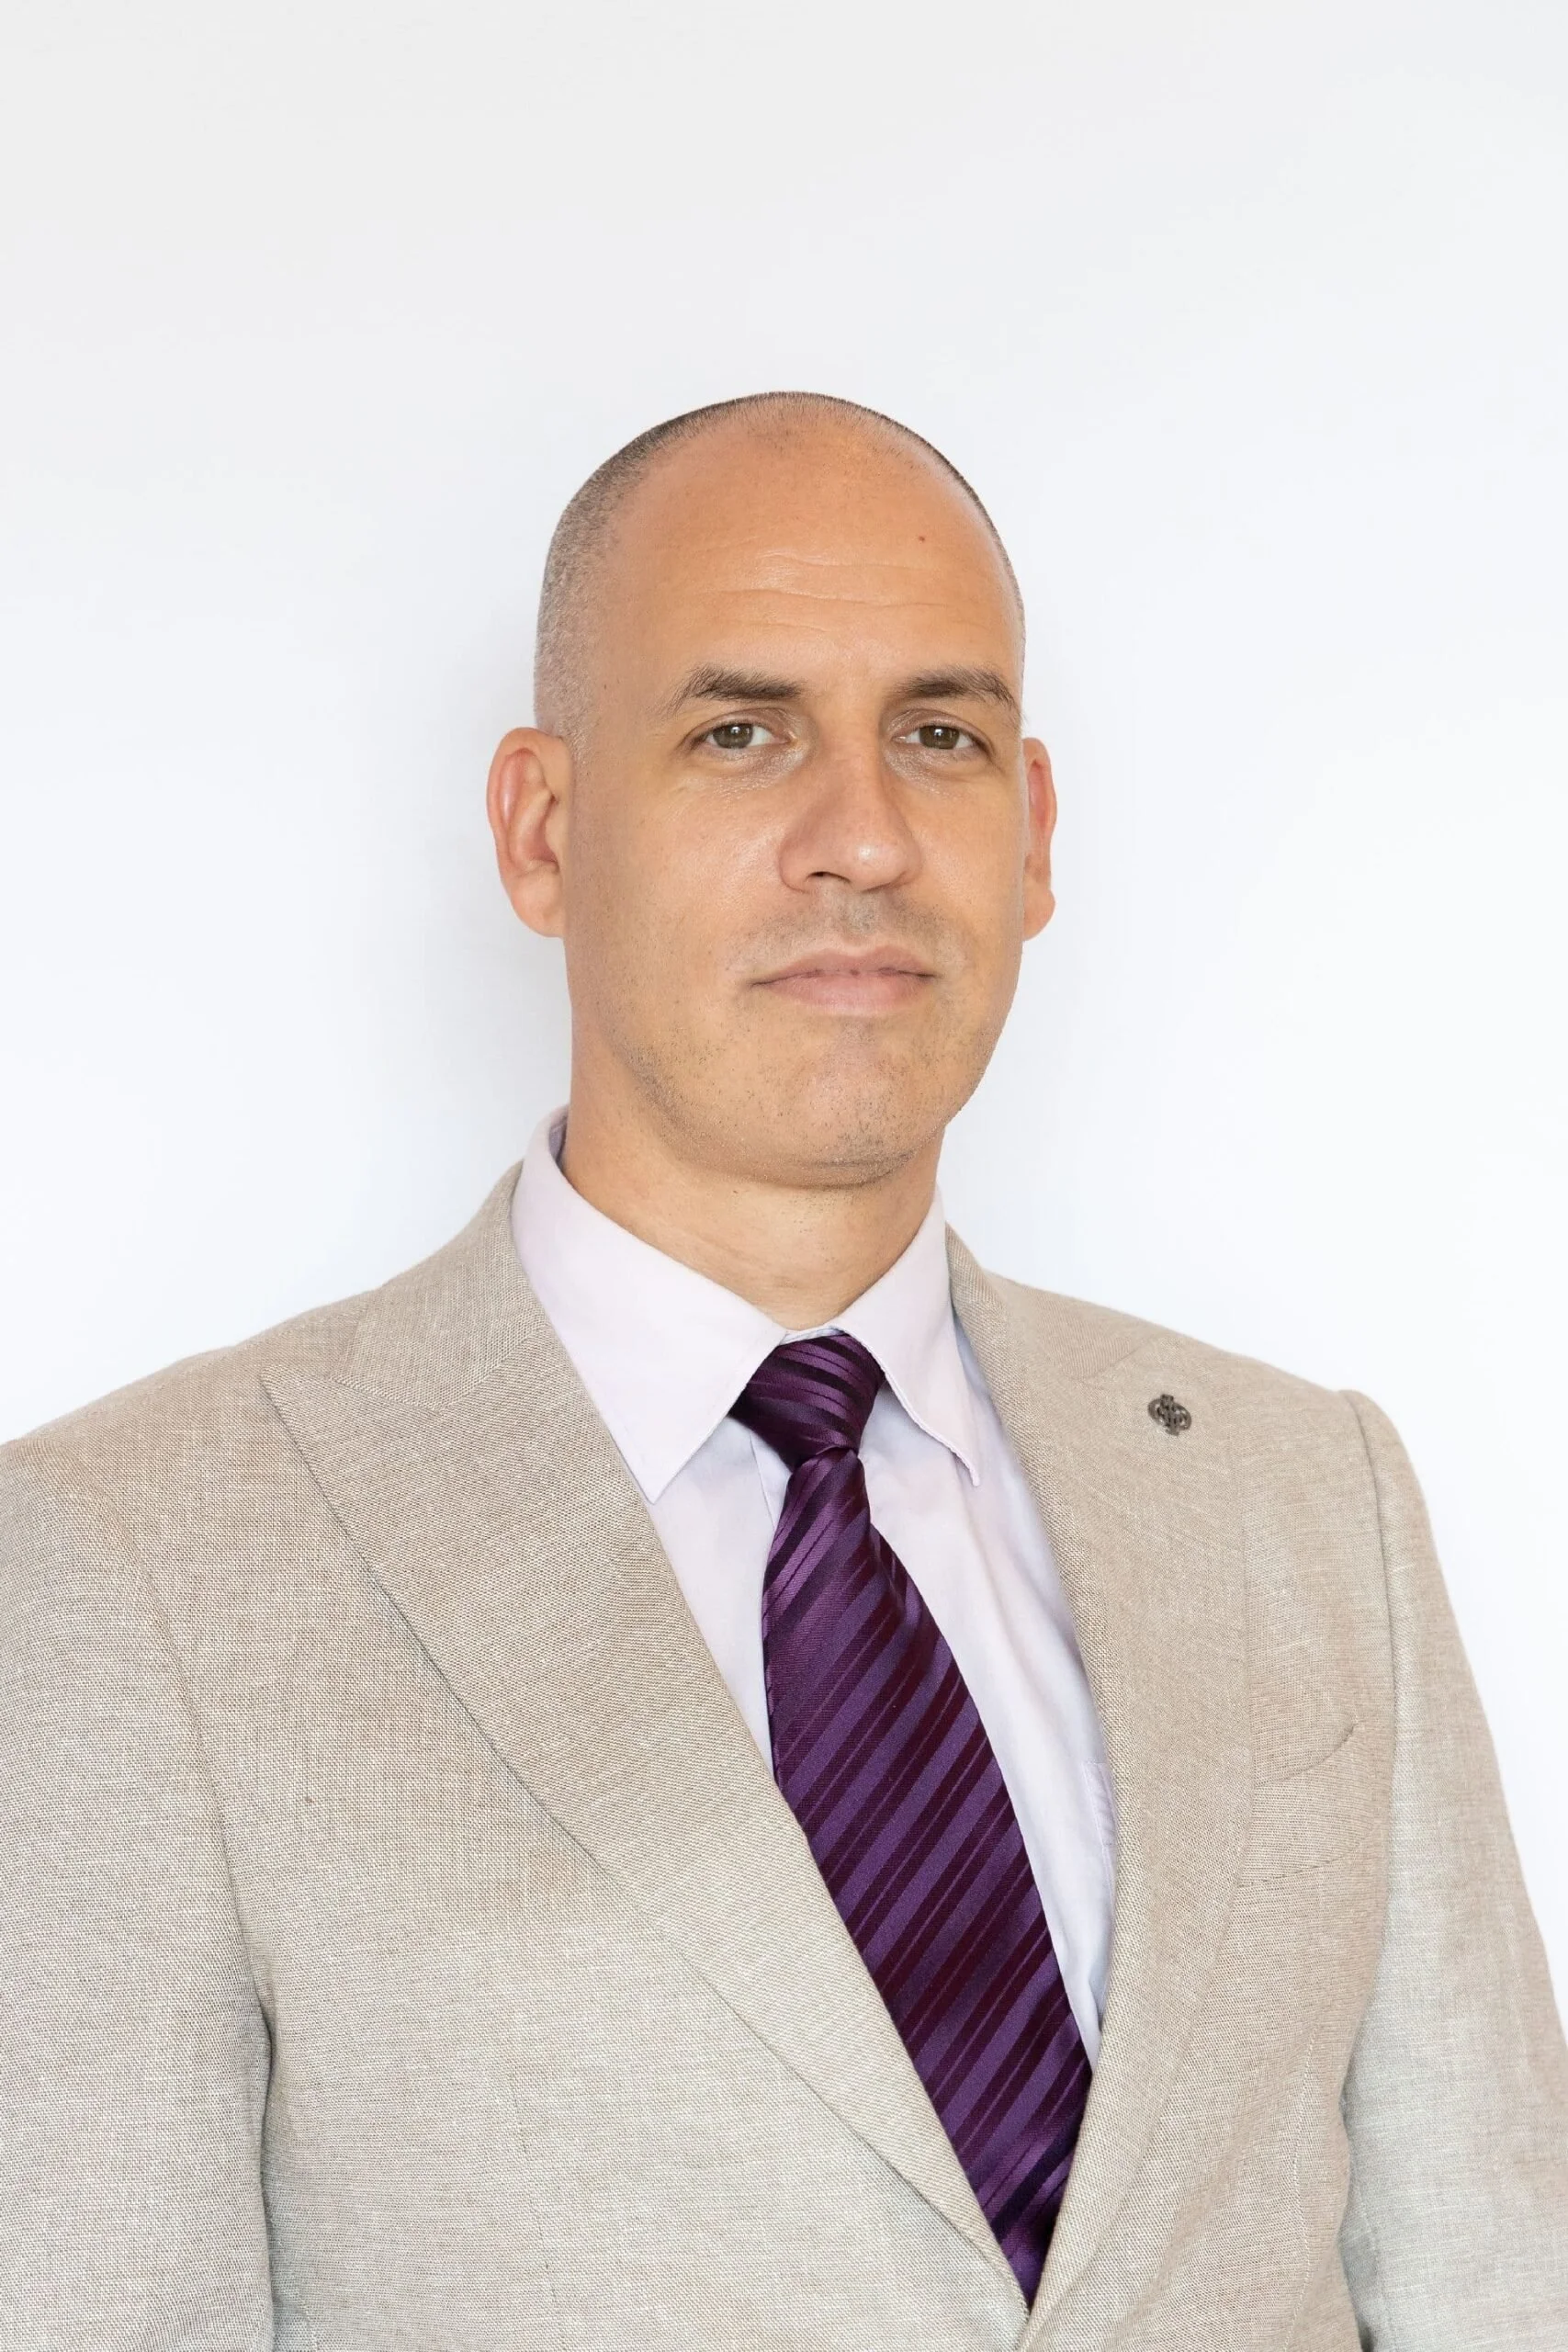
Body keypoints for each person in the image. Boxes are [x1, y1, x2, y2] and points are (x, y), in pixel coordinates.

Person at [3, 391, 1564, 2352]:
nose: (863, 837)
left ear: (1037, 830)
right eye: (740, 732)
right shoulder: (139, 1562)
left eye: (941, 734)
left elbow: (1498, 2282)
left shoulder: (1301, 1495)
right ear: (544, 826)